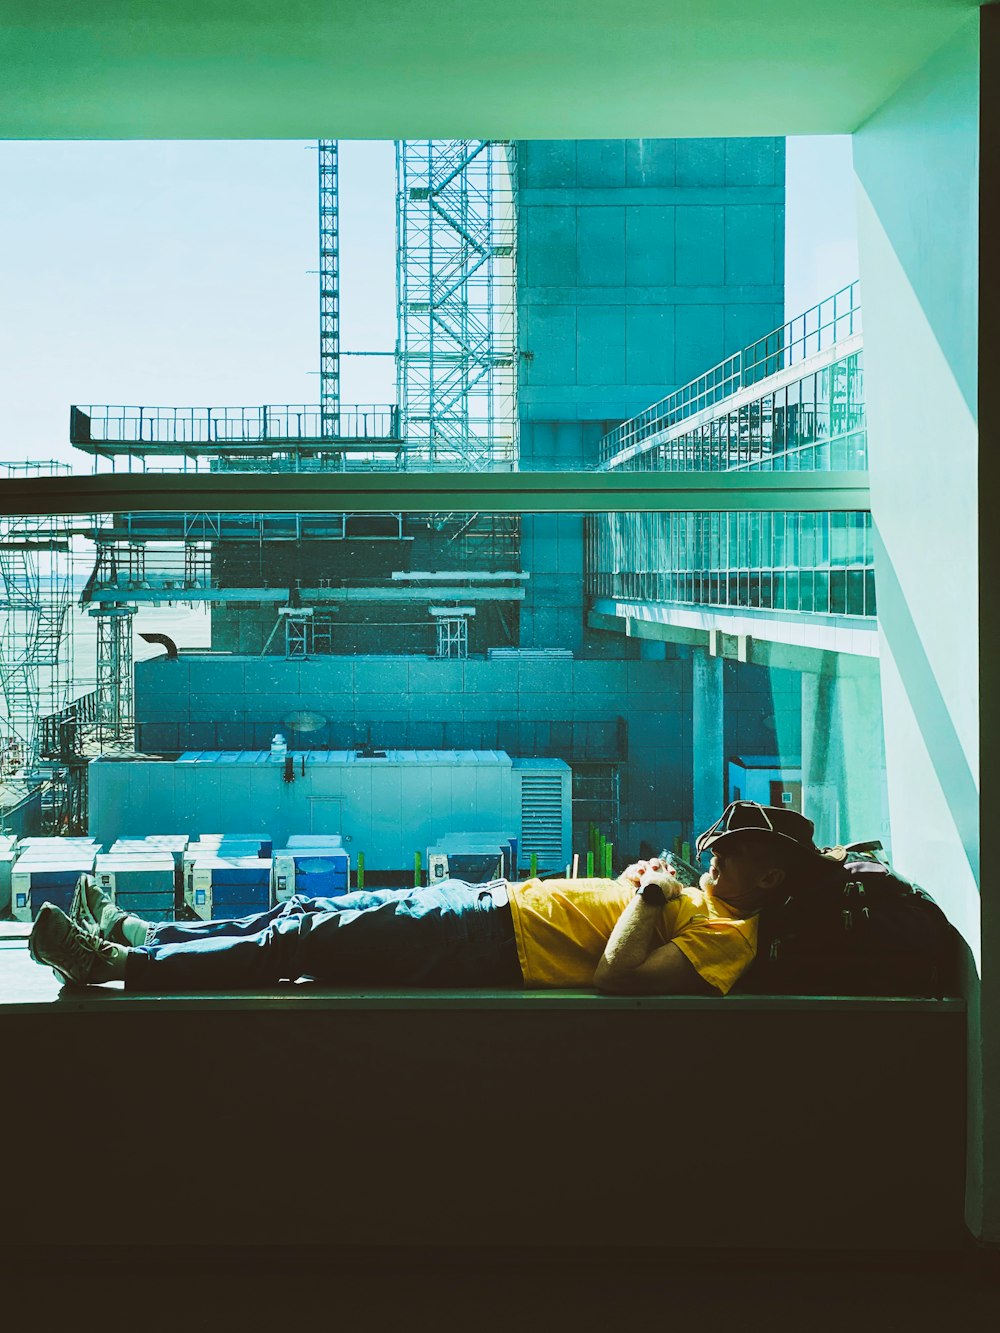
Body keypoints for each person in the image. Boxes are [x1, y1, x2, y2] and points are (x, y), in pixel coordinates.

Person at [26, 801, 837, 996]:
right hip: (488, 906)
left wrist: (649, 898)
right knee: (298, 917)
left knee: (300, 944)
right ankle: (144, 928)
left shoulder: (729, 938)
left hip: (487, 942)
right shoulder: (704, 903)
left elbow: (618, 979)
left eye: (729, 855)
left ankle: (122, 963)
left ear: (769, 877)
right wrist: (643, 889)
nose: (715, 857)